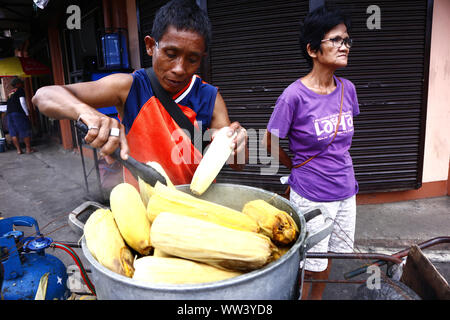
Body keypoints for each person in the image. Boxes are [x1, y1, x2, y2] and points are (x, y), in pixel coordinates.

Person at [32, 0, 248, 189]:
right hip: (145, 210)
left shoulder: (210, 97)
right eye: (170, 54)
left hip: (198, 208)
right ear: (150, 46)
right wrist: (87, 113)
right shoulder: (130, 87)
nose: (180, 68)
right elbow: (44, 96)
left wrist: (238, 143)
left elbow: (235, 163)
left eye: (192, 59)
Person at [263, 6, 359, 300]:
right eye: (336, 40)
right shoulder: (293, 96)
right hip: (312, 194)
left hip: (346, 192)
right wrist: (295, 167)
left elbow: (343, 143)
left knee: (332, 259)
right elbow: (268, 139)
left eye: (346, 40)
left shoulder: (348, 89)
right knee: (310, 265)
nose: (344, 46)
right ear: (313, 49)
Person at [6, 77, 36, 154]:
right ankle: (28, 149)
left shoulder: (10, 93)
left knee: (13, 132)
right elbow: (22, 101)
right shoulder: (20, 90)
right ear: (18, 84)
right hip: (18, 113)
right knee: (24, 130)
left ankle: (19, 150)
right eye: (21, 83)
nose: (22, 84)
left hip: (9, 114)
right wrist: (26, 113)